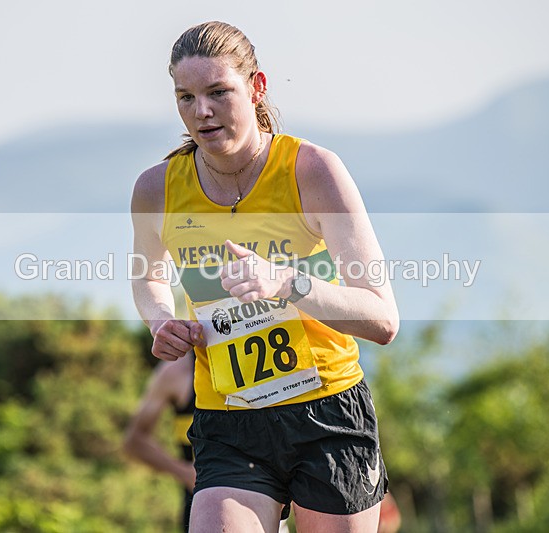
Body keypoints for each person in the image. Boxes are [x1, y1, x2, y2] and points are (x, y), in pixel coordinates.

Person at [130, 21, 399, 533]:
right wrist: (160, 320)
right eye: (185, 97)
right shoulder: (156, 189)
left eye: (218, 92)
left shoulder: (312, 170)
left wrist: (286, 283)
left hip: (327, 413)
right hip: (228, 418)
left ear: (256, 88)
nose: (201, 111)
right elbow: (148, 277)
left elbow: (383, 319)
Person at [123, 353, 196, 532]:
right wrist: (186, 473)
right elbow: (134, 441)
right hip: (202, 507)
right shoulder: (178, 370)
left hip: (262, 499)